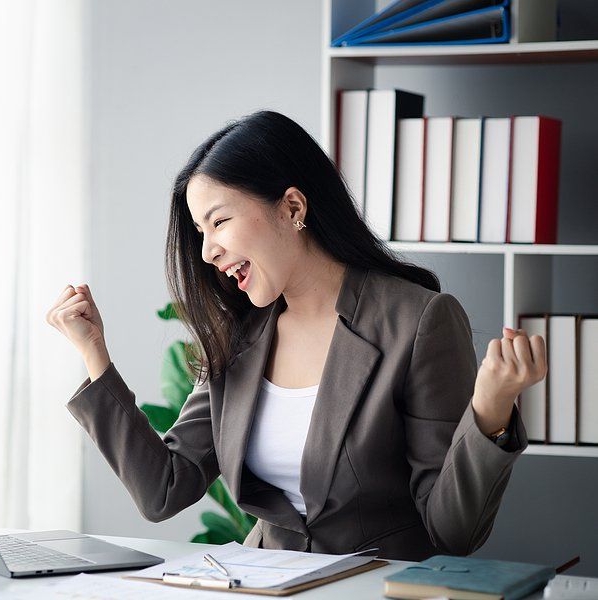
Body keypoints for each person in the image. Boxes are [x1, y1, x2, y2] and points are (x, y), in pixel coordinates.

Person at [45, 110, 547, 561]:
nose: (207, 253)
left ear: (291, 207)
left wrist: (490, 410)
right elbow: (164, 489)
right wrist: (94, 354)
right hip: (265, 581)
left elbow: (452, 531)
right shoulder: (241, 334)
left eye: (219, 221)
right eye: (201, 231)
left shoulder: (417, 321)